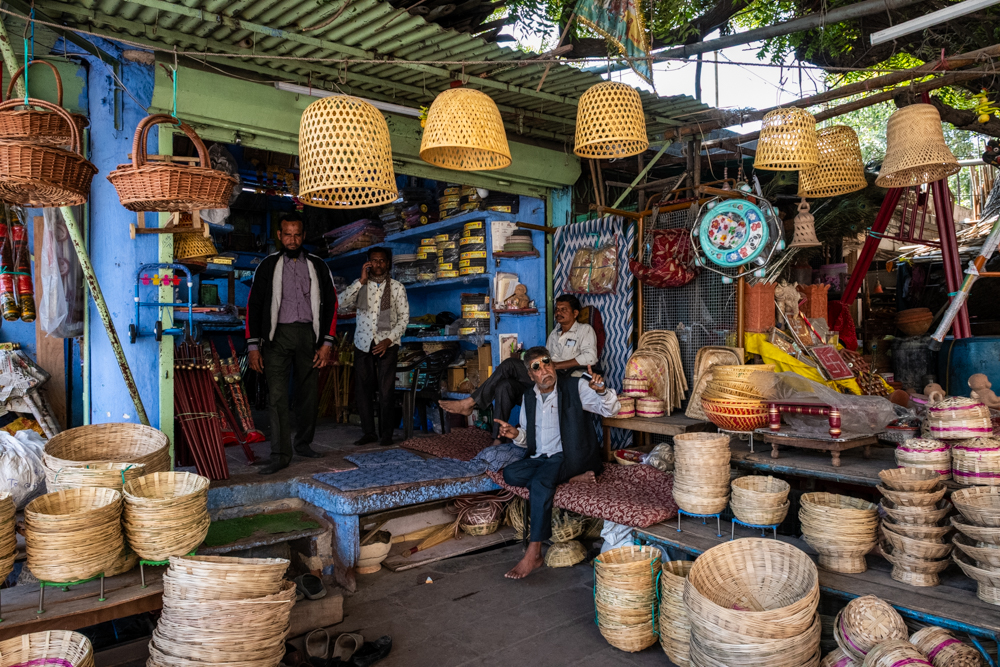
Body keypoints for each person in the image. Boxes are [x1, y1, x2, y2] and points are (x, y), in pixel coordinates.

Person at [495, 346, 620, 580]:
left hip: (571, 455)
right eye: (536, 367)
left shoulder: (576, 386)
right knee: (511, 474)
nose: (544, 369)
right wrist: (515, 435)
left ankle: (534, 552)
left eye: (547, 363)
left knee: (541, 482)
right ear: (531, 375)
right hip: (543, 458)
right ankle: (572, 478)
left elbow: (611, 409)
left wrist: (602, 391)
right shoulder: (528, 397)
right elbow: (527, 438)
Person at [246, 215, 338, 475]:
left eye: (297, 234)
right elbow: (253, 306)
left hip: (309, 336)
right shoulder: (267, 265)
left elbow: (332, 304)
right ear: (279, 235)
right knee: (277, 396)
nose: (292, 239)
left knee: (308, 394)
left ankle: (304, 443)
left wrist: (326, 343)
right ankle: (280, 454)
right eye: (287, 234)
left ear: (303, 235)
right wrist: (253, 347)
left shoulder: (318, 265)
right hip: (277, 337)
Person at [440, 294, 599, 442]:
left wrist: (556, 365)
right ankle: (497, 439)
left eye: (564, 309)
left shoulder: (585, 331)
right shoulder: (554, 334)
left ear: (576, 313)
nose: (558, 312)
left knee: (509, 364)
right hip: (547, 378)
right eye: (557, 309)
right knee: (505, 386)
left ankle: (470, 402)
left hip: (566, 380)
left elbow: (590, 357)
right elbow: (545, 358)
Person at [338, 247, 410, 446]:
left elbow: (404, 319)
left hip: (388, 344)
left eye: (382, 261)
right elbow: (340, 303)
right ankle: (368, 432)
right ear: (368, 263)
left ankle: (386, 434)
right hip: (363, 343)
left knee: (386, 391)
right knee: (363, 390)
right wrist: (360, 280)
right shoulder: (361, 286)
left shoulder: (397, 287)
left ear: (387, 264)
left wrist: (389, 340)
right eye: (374, 261)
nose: (378, 264)